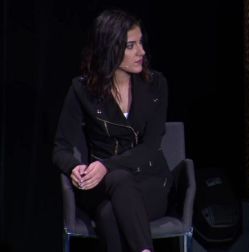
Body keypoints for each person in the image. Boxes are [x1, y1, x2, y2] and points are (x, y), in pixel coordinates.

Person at [53, 9, 171, 252]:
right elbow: (60, 148)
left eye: (141, 43)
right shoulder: (82, 90)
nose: (142, 52)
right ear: (110, 49)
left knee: (108, 213)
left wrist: (108, 165)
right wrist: (74, 167)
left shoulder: (156, 84)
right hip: (101, 185)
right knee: (115, 183)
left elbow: (150, 147)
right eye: (131, 46)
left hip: (149, 181)